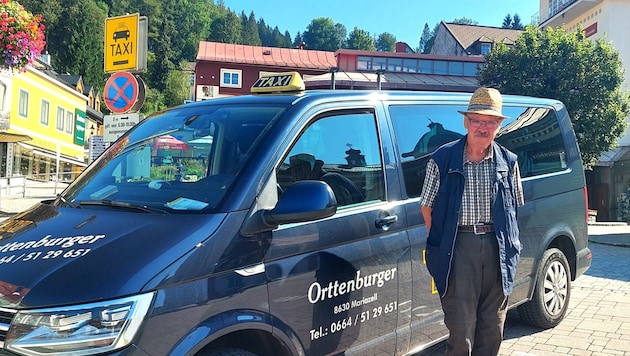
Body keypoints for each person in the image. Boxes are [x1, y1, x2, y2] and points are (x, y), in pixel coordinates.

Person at [419, 87, 524, 356]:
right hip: (458, 246)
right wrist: (444, 245)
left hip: (497, 248)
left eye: (490, 121)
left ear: (499, 126)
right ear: (466, 122)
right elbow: (427, 207)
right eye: (477, 119)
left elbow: (513, 210)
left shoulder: (508, 162)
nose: (483, 127)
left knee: (492, 327)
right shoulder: (442, 159)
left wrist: (509, 247)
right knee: (460, 326)